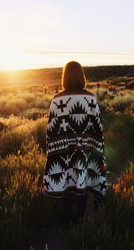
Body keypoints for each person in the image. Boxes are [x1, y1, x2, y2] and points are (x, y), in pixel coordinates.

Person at [42, 61, 107, 224]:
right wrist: (96, 149)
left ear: (65, 77)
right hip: (85, 150)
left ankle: (66, 218)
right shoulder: (90, 99)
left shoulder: (57, 100)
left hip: (63, 151)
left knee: (65, 180)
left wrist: (52, 151)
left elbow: (51, 129)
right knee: (81, 179)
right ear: (81, 76)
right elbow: (97, 127)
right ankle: (79, 217)